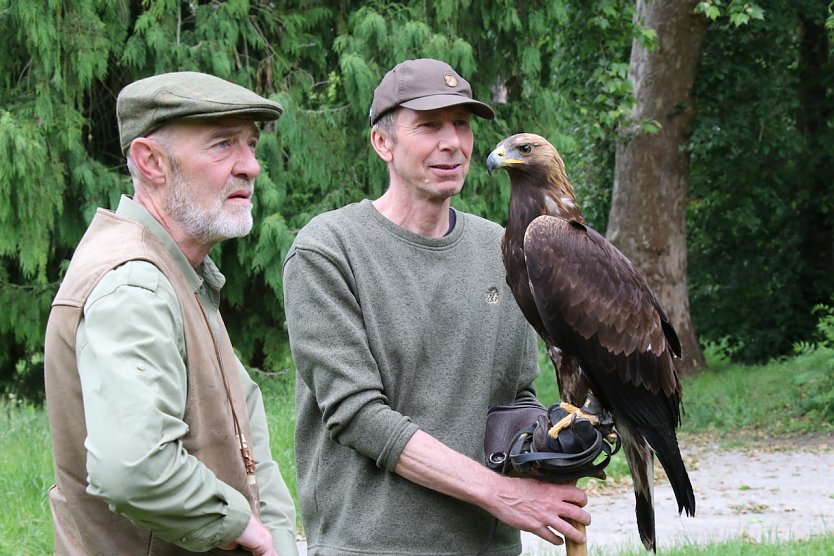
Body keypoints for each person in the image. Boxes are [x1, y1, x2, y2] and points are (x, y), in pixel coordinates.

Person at [282, 58, 590, 556]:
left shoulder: (504, 249)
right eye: (428, 126)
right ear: (383, 143)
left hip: (488, 548)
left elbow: (515, 395)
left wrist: (549, 441)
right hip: (370, 547)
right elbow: (358, 415)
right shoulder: (329, 250)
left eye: (462, 125)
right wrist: (502, 493)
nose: (453, 143)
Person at [44, 71, 298, 556]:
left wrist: (280, 542)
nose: (251, 167)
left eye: (250, 143)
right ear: (152, 162)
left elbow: (248, 432)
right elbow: (132, 467)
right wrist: (245, 528)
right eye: (223, 145)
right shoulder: (133, 283)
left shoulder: (181, 271)